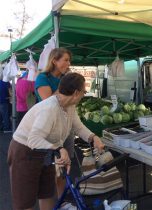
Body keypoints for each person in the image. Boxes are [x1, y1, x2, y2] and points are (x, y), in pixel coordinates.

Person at [8, 72, 105, 210]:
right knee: (25, 200)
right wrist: (59, 149)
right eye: (84, 91)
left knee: (47, 193)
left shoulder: (70, 106)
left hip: (47, 150)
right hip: (25, 152)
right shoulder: (50, 108)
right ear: (76, 93)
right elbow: (33, 139)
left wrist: (93, 137)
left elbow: (78, 126)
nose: (84, 94)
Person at [34, 47, 78, 209]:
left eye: (69, 60)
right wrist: (65, 85)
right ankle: (49, 201)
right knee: (48, 169)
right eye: (65, 60)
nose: (69, 63)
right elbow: (49, 102)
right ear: (54, 61)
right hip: (49, 130)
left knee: (65, 165)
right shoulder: (42, 78)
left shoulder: (65, 77)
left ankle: (62, 200)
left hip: (66, 128)